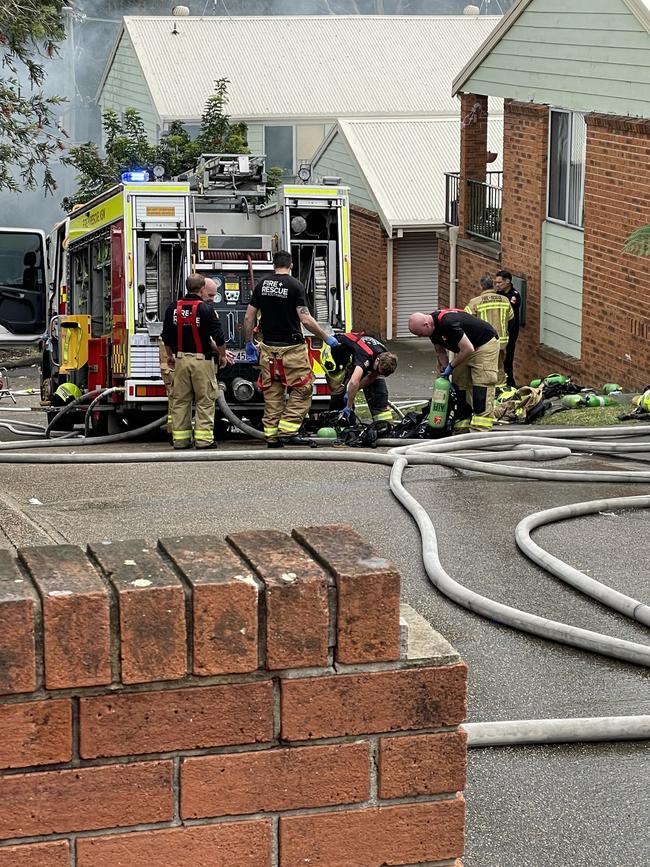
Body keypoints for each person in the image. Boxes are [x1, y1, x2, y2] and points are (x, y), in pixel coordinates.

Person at [243, 250, 339, 447]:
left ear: (273, 265)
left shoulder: (262, 284)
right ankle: (287, 430)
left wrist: (248, 343)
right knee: (303, 388)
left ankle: (271, 436)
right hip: (292, 349)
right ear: (291, 265)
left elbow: (248, 317)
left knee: (272, 393)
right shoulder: (295, 285)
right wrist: (326, 337)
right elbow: (305, 318)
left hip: (267, 350)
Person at [162, 273, 226, 449]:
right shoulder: (206, 310)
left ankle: (181, 441)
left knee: (180, 401)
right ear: (202, 288)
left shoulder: (173, 308)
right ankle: (204, 441)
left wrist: (169, 356)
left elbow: (166, 336)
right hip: (202, 361)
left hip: (181, 359)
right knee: (205, 401)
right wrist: (223, 355)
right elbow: (219, 337)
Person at [408, 308, 499, 432]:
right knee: (459, 383)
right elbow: (440, 351)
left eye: (421, 334)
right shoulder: (432, 329)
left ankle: (480, 428)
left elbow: (468, 349)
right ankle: (463, 422)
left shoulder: (447, 322)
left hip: (484, 345)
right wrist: (445, 369)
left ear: (426, 324)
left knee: (481, 385)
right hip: (466, 349)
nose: (420, 336)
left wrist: (451, 366)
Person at [323, 332, 398, 423]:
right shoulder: (365, 357)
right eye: (378, 371)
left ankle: (383, 424)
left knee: (378, 391)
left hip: (353, 354)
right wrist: (349, 405)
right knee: (341, 390)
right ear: (377, 360)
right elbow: (354, 382)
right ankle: (338, 421)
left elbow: (372, 376)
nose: (378, 373)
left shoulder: (384, 355)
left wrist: (354, 390)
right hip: (336, 354)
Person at [464, 275, 513, 387]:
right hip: (501, 342)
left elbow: (466, 321)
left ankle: (486, 393)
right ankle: (500, 392)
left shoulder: (475, 302)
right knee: (499, 368)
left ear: (481, 286)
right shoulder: (505, 300)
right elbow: (510, 318)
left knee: (484, 369)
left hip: (484, 342)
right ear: (493, 285)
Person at [494, 269, 521, 388]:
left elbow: (509, 313)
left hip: (510, 333)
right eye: (496, 283)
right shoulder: (498, 295)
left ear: (508, 281)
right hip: (499, 333)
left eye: (500, 283)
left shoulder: (514, 296)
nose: (497, 285)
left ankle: (510, 385)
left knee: (507, 361)